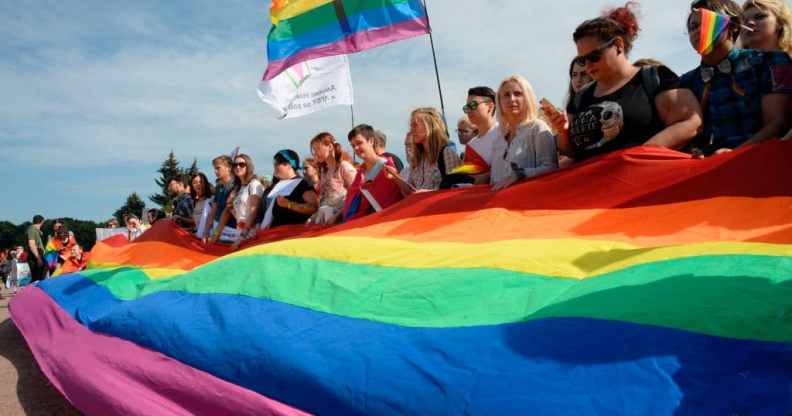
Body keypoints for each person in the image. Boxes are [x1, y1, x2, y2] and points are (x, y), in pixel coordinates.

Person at [546, 1, 703, 162]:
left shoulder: (654, 78)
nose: (588, 66)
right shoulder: (580, 97)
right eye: (582, 60)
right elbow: (569, 153)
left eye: (594, 57)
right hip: (595, 184)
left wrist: (637, 157)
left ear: (618, 45)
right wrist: (563, 132)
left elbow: (691, 121)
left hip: (644, 182)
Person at [681, 0, 792, 154]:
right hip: (707, 169)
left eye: (708, 22)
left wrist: (733, 155)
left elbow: (777, 124)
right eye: (692, 27)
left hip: (760, 162)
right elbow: (686, 134)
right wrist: (694, 151)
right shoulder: (686, 82)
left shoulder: (769, 62)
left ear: (733, 26)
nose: (697, 31)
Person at [489, 75, 559, 191]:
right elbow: (494, 181)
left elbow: (551, 168)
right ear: (499, 102)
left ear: (528, 98)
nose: (512, 99)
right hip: (497, 203)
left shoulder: (538, 128)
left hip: (529, 201)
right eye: (506, 95)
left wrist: (521, 174)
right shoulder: (498, 139)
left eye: (518, 94)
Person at [342, 124, 404, 222]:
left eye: (359, 143)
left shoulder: (387, 165)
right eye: (353, 145)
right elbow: (351, 202)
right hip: (362, 221)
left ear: (371, 141)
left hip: (385, 221)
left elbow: (393, 200)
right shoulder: (361, 172)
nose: (356, 148)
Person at [401, 107, 462, 193]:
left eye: (415, 125)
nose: (411, 130)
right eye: (411, 126)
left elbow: (455, 187)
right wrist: (395, 178)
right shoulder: (417, 159)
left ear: (429, 126)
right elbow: (410, 191)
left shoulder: (446, 152)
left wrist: (427, 193)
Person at [212, 154, 264, 249]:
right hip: (239, 233)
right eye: (235, 165)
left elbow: (253, 214)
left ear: (248, 166)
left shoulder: (254, 184)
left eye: (241, 164)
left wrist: (241, 238)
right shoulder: (238, 188)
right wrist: (230, 206)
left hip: (251, 236)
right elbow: (237, 215)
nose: (238, 167)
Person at [261, 150, 318, 230]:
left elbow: (314, 207)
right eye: (274, 164)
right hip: (275, 233)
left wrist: (289, 204)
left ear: (289, 164)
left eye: (277, 163)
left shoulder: (302, 184)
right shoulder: (279, 185)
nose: (274, 167)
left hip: (294, 235)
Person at [307, 133, 355, 225]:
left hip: (340, 218)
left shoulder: (344, 166)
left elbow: (355, 195)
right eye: (314, 149)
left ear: (329, 147)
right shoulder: (323, 171)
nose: (315, 153)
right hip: (325, 216)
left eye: (318, 148)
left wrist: (337, 215)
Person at [458, 86, 500, 184]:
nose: (469, 110)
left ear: (490, 106)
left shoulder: (506, 132)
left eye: (473, 105)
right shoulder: (471, 146)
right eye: (467, 107)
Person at [202, 155, 236, 243]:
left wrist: (215, 235)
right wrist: (205, 232)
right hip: (217, 231)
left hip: (230, 233)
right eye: (214, 168)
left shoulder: (235, 186)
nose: (215, 171)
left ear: (228, 168)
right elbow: (213, 211)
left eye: (218, 168)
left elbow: (227, 212)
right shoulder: (219, 186)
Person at [189, 172, 214, 238]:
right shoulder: (195, 202)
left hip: (210, 239)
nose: (198, 184)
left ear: (205, 183)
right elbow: (197, 223)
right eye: (195, 182)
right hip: (199, 238)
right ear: (192, 186)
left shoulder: (212, 200)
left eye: (200, 182)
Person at [25, 215, 46, 283]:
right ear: (42, 222)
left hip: (37, 255)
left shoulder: (36, 230)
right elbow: (32, 244)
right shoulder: (32, 229)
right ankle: (29, 292)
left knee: (40, 277)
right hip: (34, 257)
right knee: (37, 279)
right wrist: (38, 257)